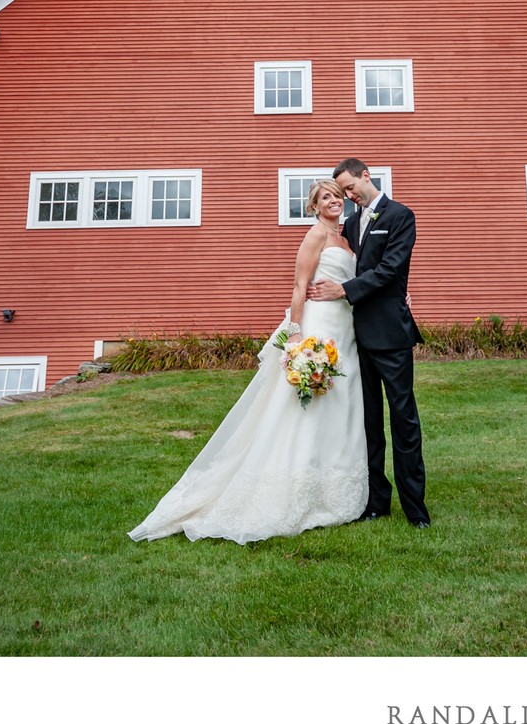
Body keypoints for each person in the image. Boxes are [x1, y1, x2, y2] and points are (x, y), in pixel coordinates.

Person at [128, 179, 368, 545]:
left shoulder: (348, 239)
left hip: (344, 329)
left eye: (337, 196)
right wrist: (297, 337)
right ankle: (294, 488)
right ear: (314, 206)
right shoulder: (315, 235)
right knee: (305, 410)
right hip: (317, 326)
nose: (334, 201)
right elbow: (299, 287)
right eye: (325, 198)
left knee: (341, 405)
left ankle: (333, 491)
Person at [308, 158, 430, 528]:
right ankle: (376, 500)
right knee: (369, 423)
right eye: (342, 191)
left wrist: (344, 290)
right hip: (355, 336)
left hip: (390, 336)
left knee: (403, 419)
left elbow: (391, 269)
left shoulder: (399, 216)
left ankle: (415, 508)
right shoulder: (351, 225)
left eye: (350, 187)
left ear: (366, 176)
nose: (348, 195)